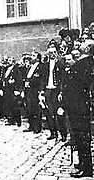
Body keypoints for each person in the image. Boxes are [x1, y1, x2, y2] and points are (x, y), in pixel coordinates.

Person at [61, 40, 94, 178]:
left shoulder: (84, 63)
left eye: (83, 44)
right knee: (80, 137)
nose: (79, 45)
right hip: (77, 106)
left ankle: (86, 168)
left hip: (79, 107)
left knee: (82, 137)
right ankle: (83, 163)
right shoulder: (82, 62)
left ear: (87, 48)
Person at [41, 47, 65, 140]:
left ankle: (63, 134)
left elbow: (63, 79)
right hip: (48, 90)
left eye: (54, 52)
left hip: (56, 91)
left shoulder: (60, 64)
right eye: (51, 53)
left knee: (59, 113)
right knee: (49, 113)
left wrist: (61, 91)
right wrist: (42, 91)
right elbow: (43, 79)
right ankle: (53, 133)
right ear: (48, 54)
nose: (53, 54)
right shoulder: (45, 66)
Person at [23, 52, 44, 133]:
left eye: (33, 56)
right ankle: (31, 126)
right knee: (29, 108)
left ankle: (37, 128)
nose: (31, 57)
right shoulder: (30, 67)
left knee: (36, 109)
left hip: (35, 90)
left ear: (38, 58)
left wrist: (31, 83)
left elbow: (39, 78)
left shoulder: (41, 66)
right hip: (28, 90)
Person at [2, 56, 23, 126]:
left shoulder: (16, 70)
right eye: (8, 60)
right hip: (7, 90)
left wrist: (18, 90)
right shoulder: (7, 69)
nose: (8, 61)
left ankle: (18, 121)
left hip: (13, 90)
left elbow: (19, 81)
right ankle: (11, 120)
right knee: (9, 105)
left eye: (10, 60)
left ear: (13, 62)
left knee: (15, 106)